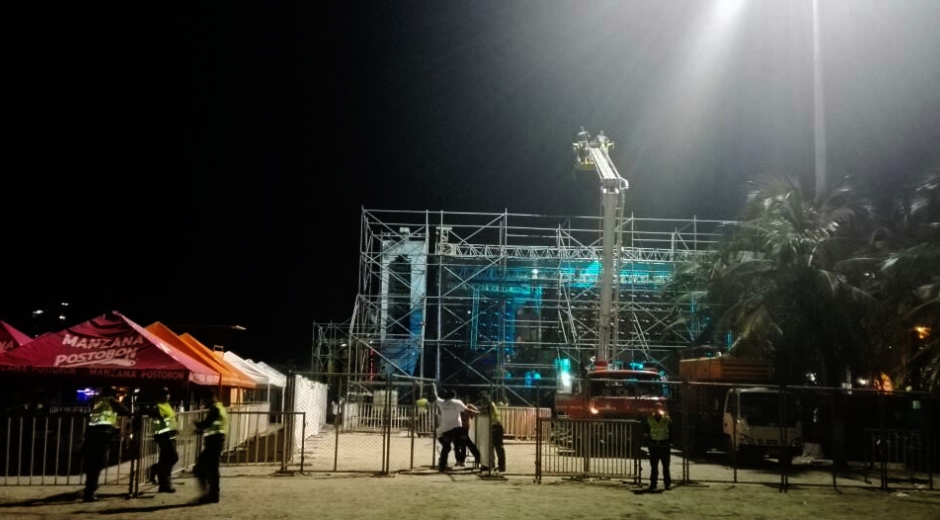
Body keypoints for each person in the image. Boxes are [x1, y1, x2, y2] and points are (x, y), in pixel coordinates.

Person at [82, 387, 131, 503]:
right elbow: (126, 411)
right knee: (98, 463)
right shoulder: (110, 402)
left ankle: (89, 489)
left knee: (92, 464)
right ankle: (89, 491)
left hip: (91, 434)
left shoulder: (97, 402)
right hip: (102, 436)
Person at [432, 384, 476, 472]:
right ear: (454, 396)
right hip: (457, 428)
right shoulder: (457, 402)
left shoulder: (442, 402)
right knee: (466, 443)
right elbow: (466, 410)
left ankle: (442, 466)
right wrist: (476, 412)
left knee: (446, 447)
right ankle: (477, 459)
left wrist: (433, 387)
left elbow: (435, 396)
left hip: (446, 429)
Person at [194, 390, 228, 503]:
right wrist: (200, 430)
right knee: (210, 468)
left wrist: (196, 424)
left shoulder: (215, 408)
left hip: (214, 442)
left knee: (204, 468)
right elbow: (212, 424)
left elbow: (207, 423)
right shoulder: (220, 407)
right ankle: (212, 494)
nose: (204, 402)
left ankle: (211, 494)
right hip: (217, 441)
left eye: (205, 399)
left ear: (211, 398)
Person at [146, 388, 179, 493]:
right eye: (164, 394)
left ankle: (164, 485)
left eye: (168, 394)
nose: (167, 396)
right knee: (173, 457)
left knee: (165, 460)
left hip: (171, 435)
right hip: (163, 435)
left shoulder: (167, 405)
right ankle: (155, 469)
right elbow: (151, 413)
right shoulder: (157, 405)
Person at [644, 404, 672, 491]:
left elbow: (672, 431)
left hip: (664, 446)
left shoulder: (667, 419)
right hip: (654, 446)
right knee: (654, 467)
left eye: (659, 408)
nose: (658, 410)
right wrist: (649, 443)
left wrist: (669, 442)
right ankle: (653, 484)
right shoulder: (649, 419)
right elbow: (646, 432)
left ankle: (667, 484)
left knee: (666, 467)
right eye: (656, 408)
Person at [481, 392, 506, 475]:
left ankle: (500, 466)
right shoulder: (489, 405)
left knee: (498, 447)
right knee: (491, 447)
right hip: (493, 426)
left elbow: (485, 411)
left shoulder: (490, 405)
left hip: (496, 426)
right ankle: (491, 465)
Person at [454, 397, 481, 468]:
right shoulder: (458, 407)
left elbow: (476, 411)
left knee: (463, 444)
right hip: (457, 427)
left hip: (464, 428)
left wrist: (472, 411)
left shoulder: (468, 407)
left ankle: (462, 460)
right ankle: (459, 460)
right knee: (457, 444)